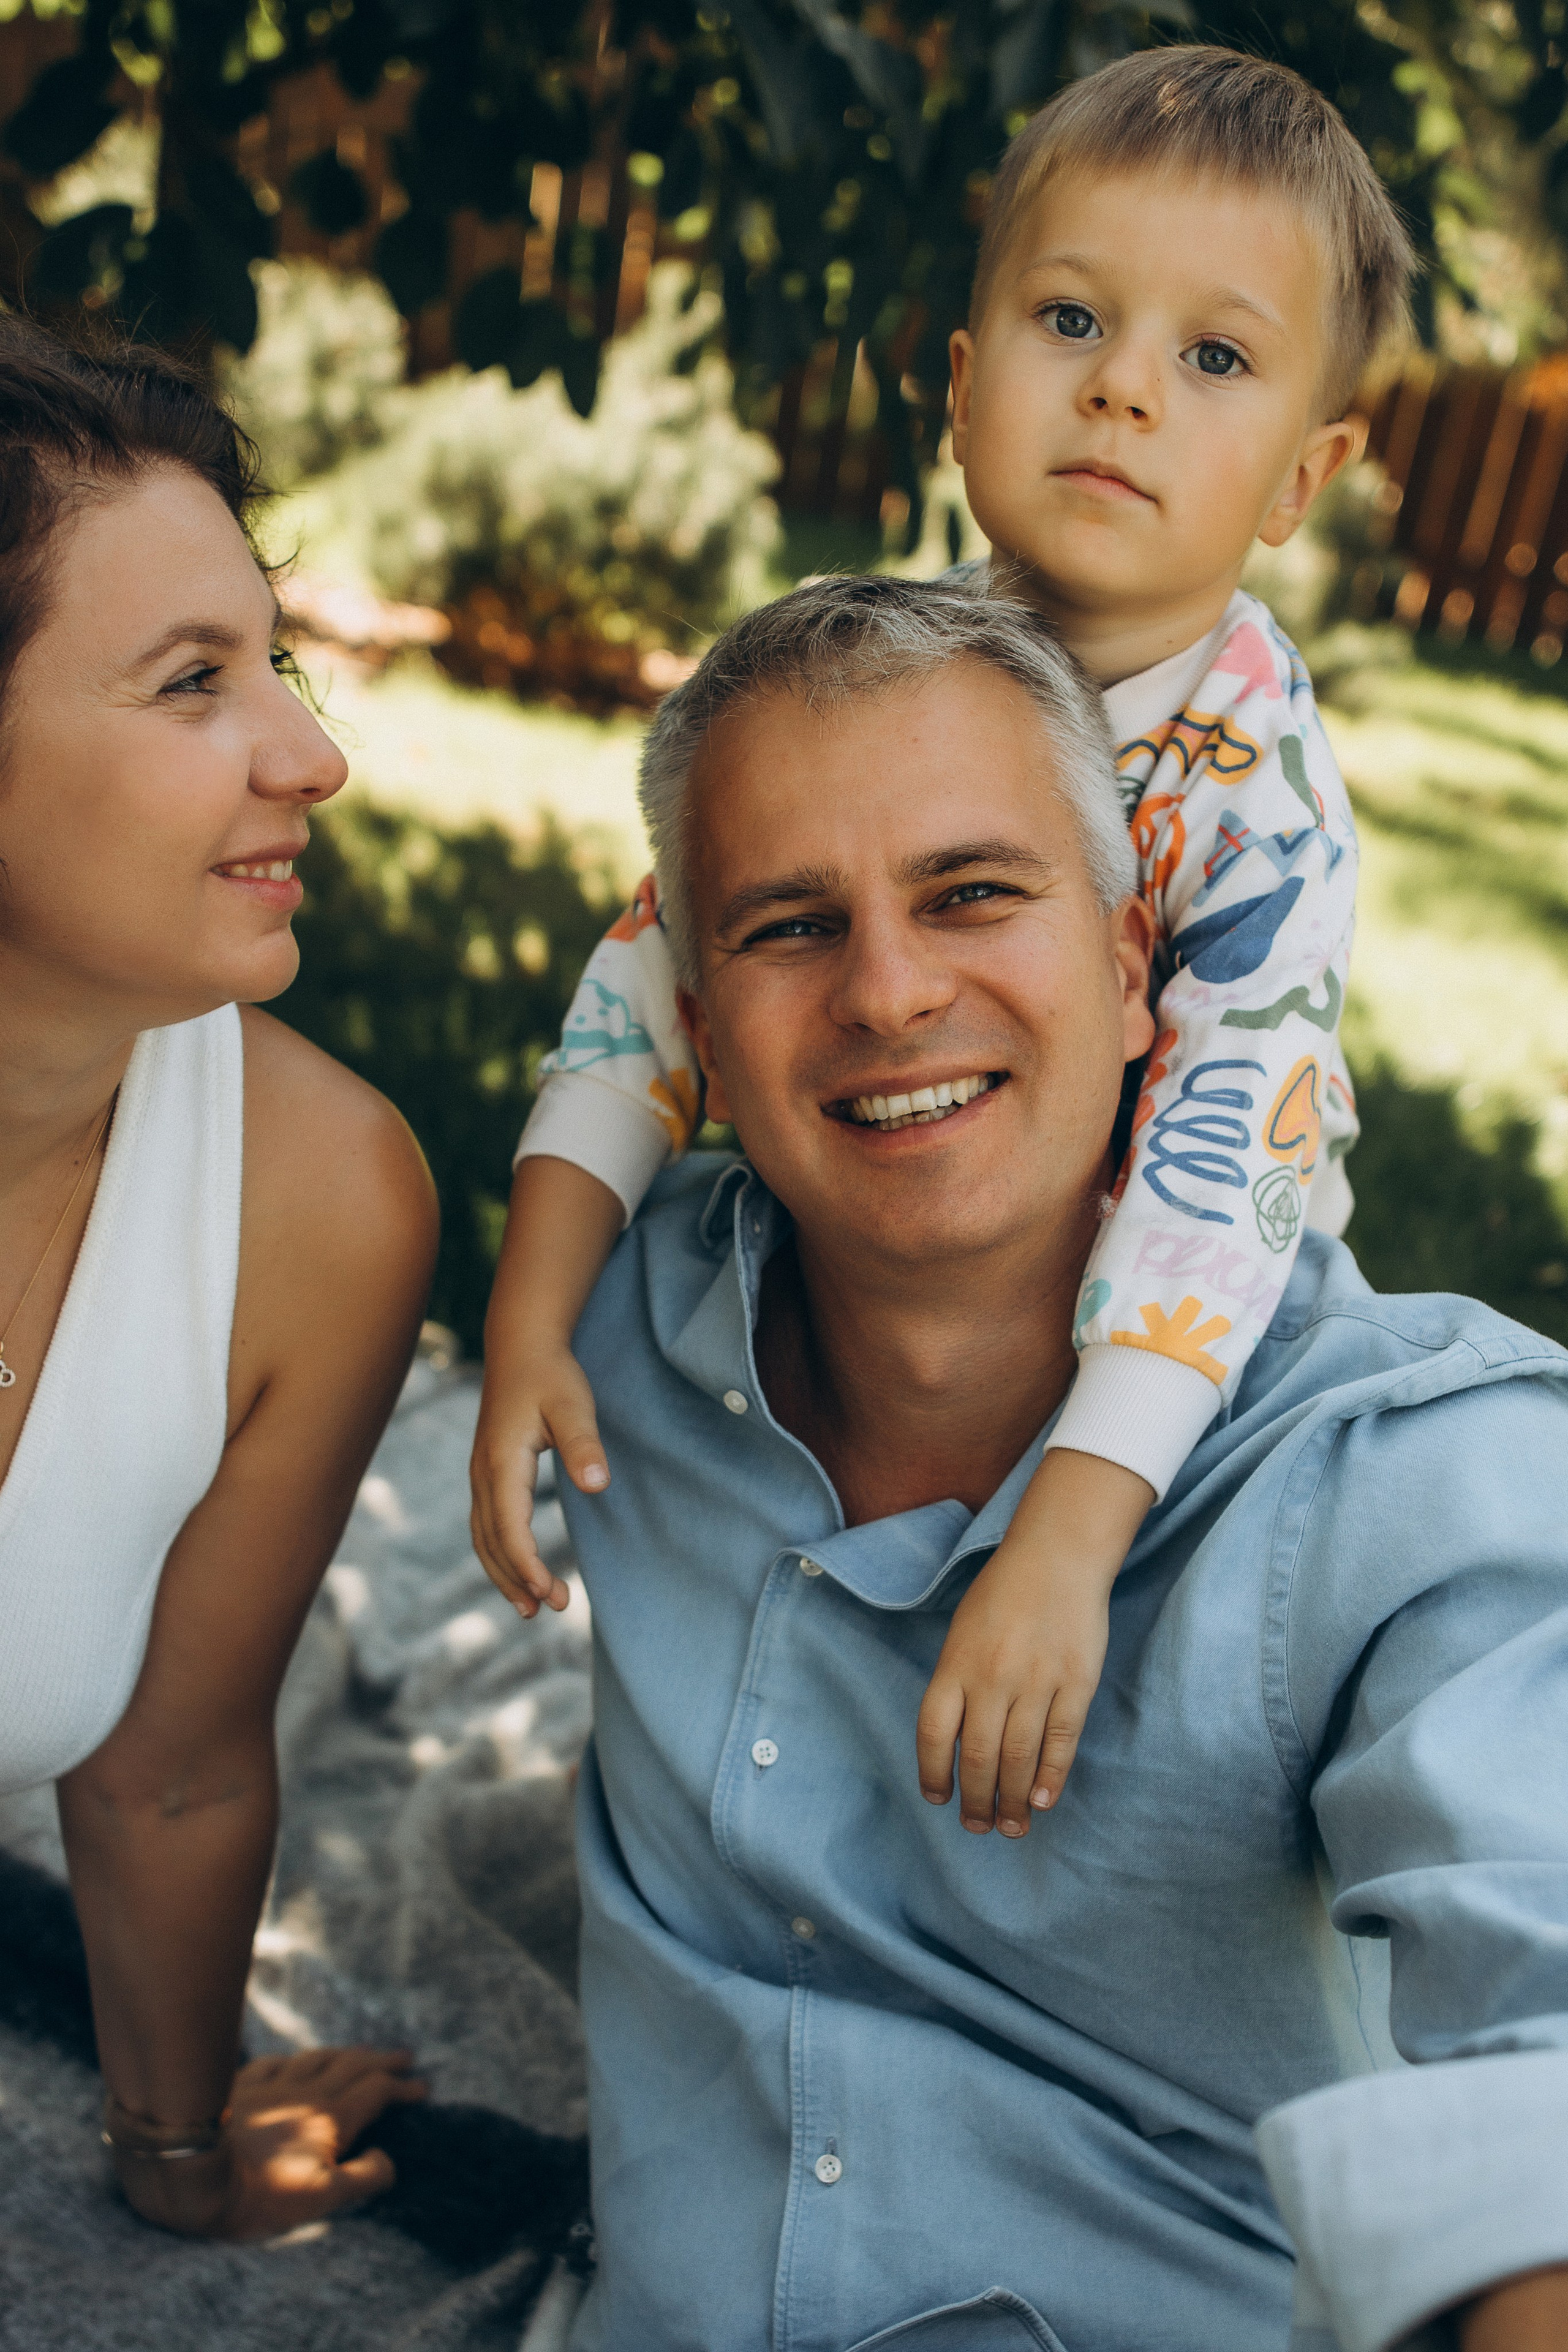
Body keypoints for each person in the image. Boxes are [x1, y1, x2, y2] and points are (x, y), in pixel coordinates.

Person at [549, 575, 1568, 2352]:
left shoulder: (1397, 1479)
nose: (889, 991)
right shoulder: (609, 1350)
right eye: (792, 926)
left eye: (972, 892)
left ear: (1127, 962)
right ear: (697, 1031)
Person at [470, 47, 1405, 1841]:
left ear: (1304, 477)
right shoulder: (892, 689)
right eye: (1074, 320)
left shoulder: (1257, 788)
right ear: (966, 392)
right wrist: (530, 1315)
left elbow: (1232, 1152)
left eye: (1215, 358)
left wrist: (1073, 1523)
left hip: (1195, 1335)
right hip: (915, 1296)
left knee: (1120, 1725)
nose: (1124, 388)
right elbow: (653, 981)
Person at [0, 319, 438, 2236]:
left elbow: (170, 1769)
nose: (313, 758)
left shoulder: (320, 1201)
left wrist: (177, 2156)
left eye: (278, 665)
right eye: (193, 683)